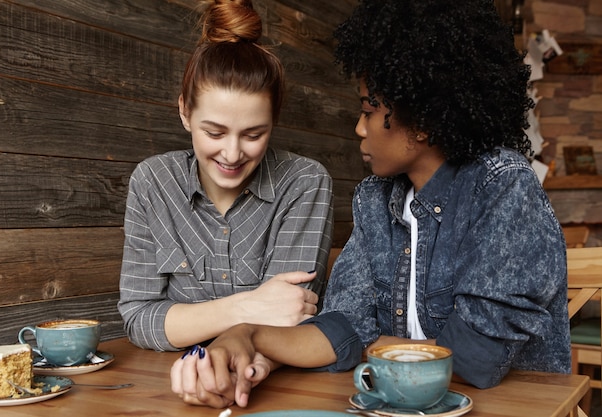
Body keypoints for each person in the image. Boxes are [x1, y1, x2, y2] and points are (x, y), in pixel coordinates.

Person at [170, 0, 572, 409]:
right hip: (398, 406)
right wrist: (246, 335)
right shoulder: (375, 198)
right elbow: (340, 326)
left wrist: (357, 344)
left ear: (424, 121)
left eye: (369, 109)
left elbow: (475, 360)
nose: (359, 127)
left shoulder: (502, 186)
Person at [118, 0, 334, 352]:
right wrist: (244, 306)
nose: (232, 155)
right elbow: (139, 318)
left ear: (274, 120)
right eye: (215, 133)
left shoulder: (304, 182)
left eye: (253, 135)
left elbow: (288, 316)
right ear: (185, 113)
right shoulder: (153, 182)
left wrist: (188, 321)